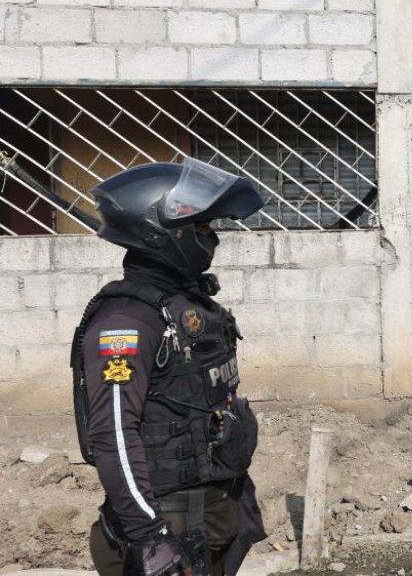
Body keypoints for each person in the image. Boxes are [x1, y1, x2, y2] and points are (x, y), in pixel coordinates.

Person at [74, 158, 268, 576]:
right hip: (169, 530)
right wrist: (152, 537)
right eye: (201, 228)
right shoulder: (124, 322)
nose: (212, 237)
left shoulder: (183, 305)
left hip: (212, 517)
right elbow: (114, 438)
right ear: (163, 235)